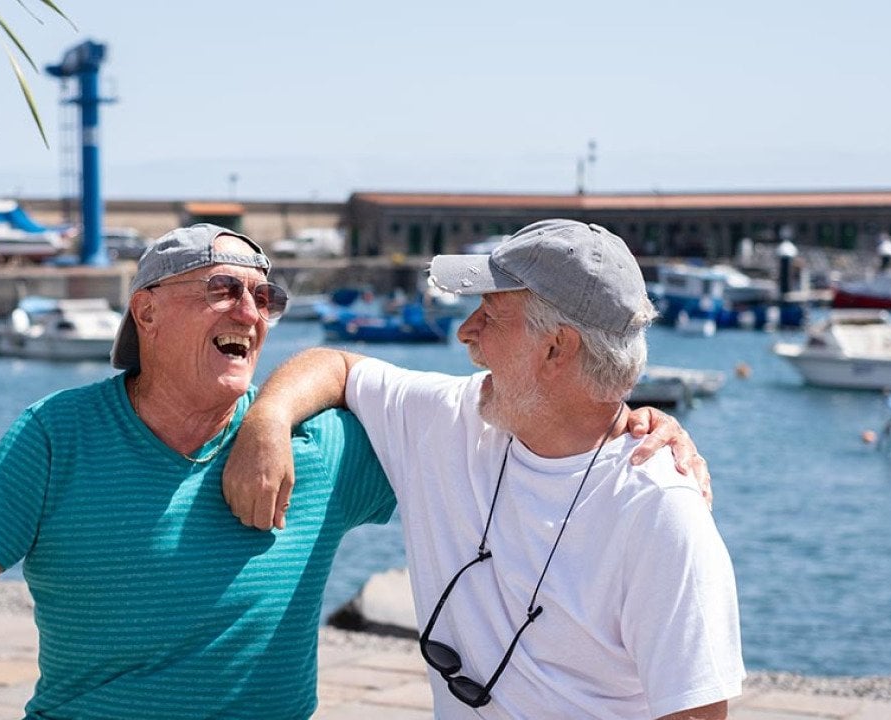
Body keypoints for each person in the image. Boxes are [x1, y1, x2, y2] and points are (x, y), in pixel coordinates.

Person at [0, 223, 707, 719]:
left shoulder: (332, 449)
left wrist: (632, 420)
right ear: (148, 311)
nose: (252, 310)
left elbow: (543, 429)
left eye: (264, 298)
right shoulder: (57, 437)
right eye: (224, 289)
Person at [223, 219, 744, 719]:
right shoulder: (458, 417)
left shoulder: (660, 510)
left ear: (556, 348)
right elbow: (337, 366)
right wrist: (267, 420)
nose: (466, 333)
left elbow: (696, 712)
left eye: (490, 315)